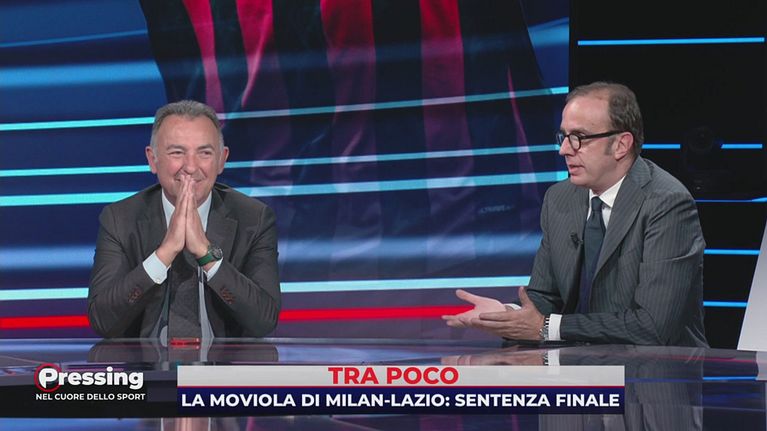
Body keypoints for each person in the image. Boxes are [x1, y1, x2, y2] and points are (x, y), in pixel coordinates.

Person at [443, 82, 708, 346]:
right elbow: (546, 296)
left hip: (658, 368)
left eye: (579, 137)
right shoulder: (559, 198)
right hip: (580, 365)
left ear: (621, 144)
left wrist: (546, 327)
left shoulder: (666, 203)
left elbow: (653, 326)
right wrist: (507, 315)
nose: (564, 150)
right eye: (564, 137)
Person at [88, 100, 280, 339]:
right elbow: (103, 321)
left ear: (222, 160)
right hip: (145, 363)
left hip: (225, 362)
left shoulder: (254, 219)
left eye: (205, 153)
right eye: (177, 153)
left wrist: (206, 254)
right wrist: (164, 253)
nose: (190, 167)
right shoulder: (120, 219)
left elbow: (264, 321)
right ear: (153, 159)